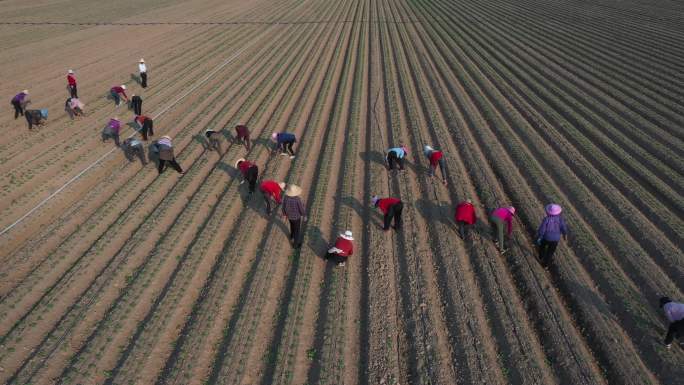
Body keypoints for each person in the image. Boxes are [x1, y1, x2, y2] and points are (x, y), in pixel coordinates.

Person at [282, 184, 306, 248]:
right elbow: (301, 209)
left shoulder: (286, 198)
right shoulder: (297, 199)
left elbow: (283, 207)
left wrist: (284, 214)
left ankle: (291, 236)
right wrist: (304, 215)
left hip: (289, 217)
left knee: (292, 226)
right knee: (297, 230)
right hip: (296, 218)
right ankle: (295, 245)